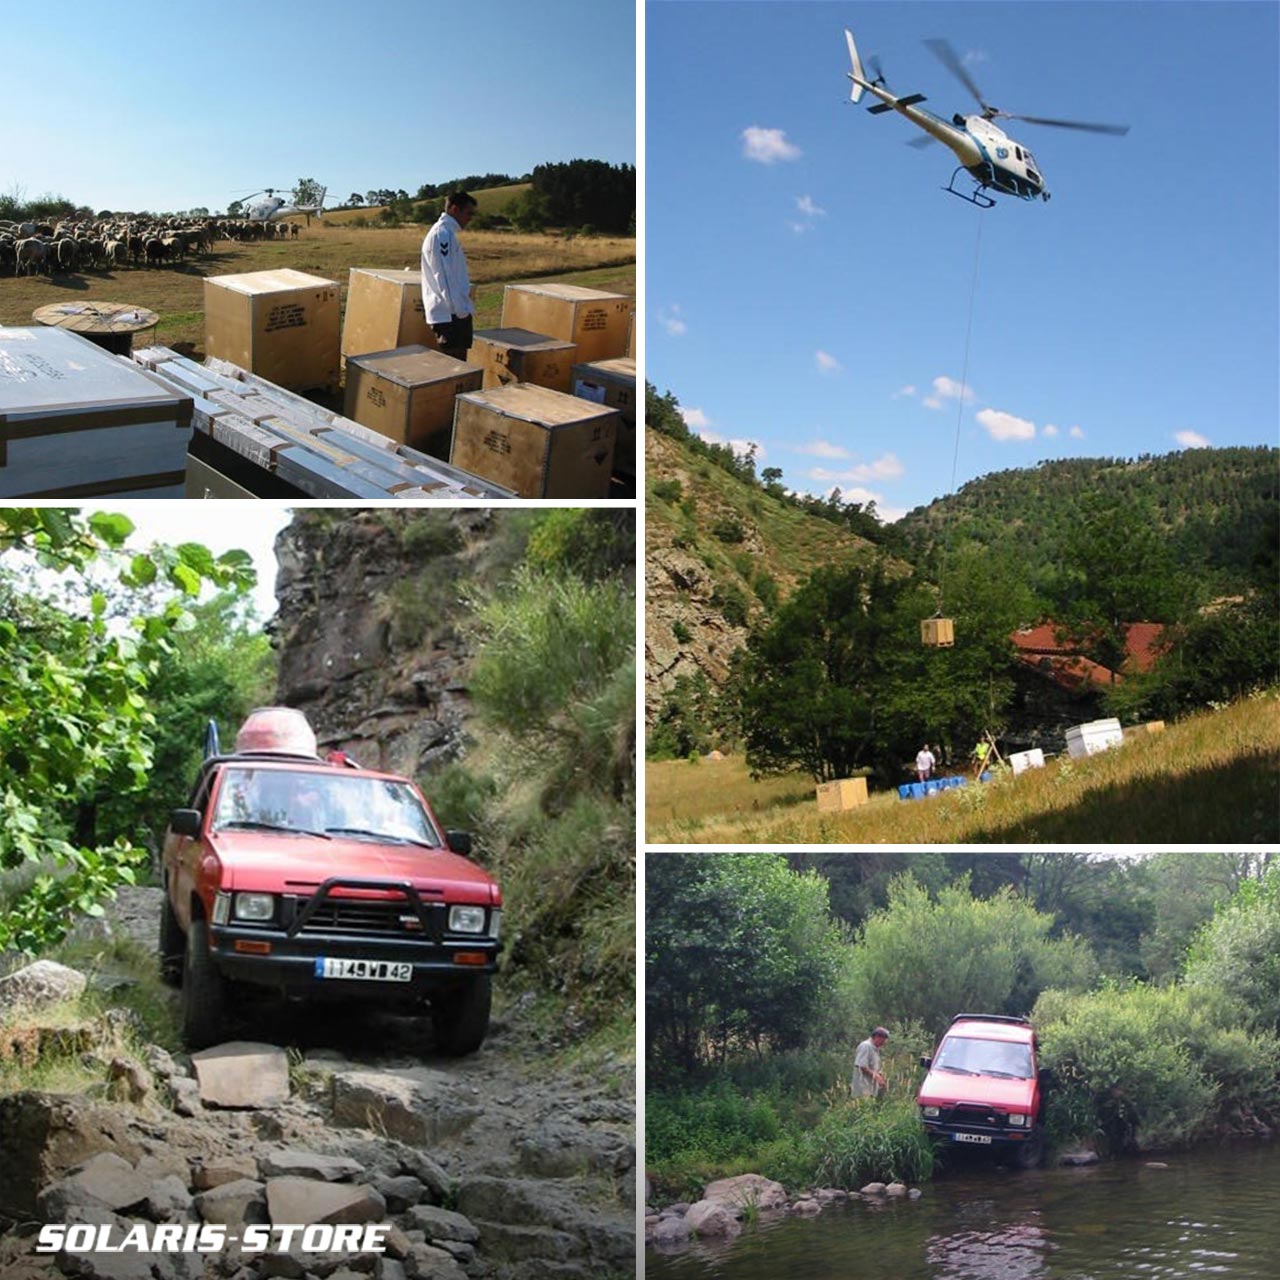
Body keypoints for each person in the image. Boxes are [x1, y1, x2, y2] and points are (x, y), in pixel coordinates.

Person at [420, 192, 478, 360]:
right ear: (454, 209)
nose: (470, 218)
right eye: (469, 213)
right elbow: (445, 278)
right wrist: (461, 311)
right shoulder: (442, 235)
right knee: (455, 368)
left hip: (452, 312)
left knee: (458, 368)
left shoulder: (447, 234)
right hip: (450, 314)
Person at [851, 1026, 890, 1098]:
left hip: (871, 1088)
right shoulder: (866, 1046)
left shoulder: (875, 1049)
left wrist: (880, 1075)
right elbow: (862, 1066)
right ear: (877, 1037)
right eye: (883, 1040)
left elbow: (873, 1066)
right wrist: (876, 1076)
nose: (883, 1043)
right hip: (863, 1088)